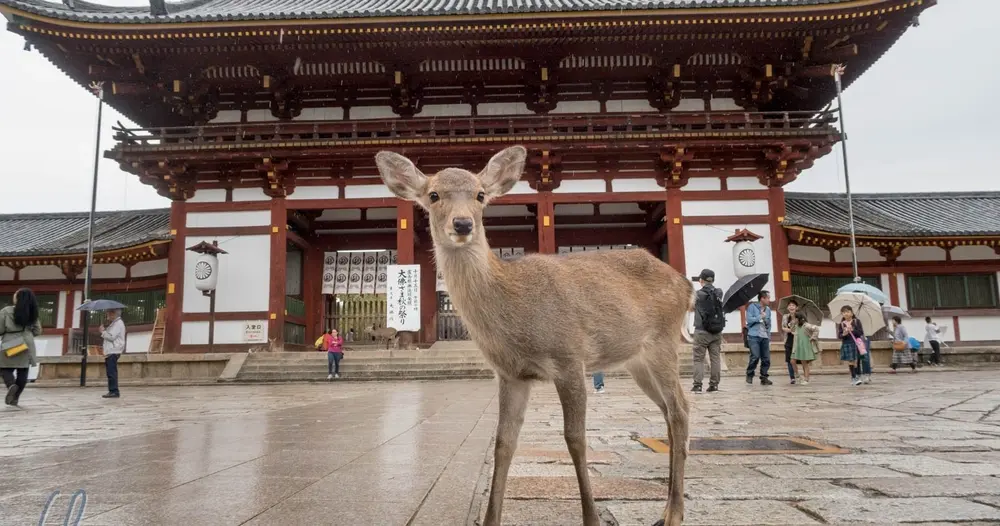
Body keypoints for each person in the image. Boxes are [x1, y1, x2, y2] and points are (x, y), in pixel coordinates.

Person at [0, 289, 42, 407]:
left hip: (10, 342)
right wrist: (27, 335)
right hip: (26, 343)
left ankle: (11, 385)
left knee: (4, 368)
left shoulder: (6, 311)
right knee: (23, 370)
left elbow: (0, 329)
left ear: (18, 298)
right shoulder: (33, 313)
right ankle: (15, 398)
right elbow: (38, 330)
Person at [691, 269, 724, 393]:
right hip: (716, 331)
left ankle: (698, 385)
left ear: (701, 280)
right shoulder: (719, 292)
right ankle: (714, 385)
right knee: (715, 358)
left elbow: (692, 306)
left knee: (698, 358)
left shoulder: (697, 294)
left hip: (701, 331)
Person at [745, 290, 773, 386]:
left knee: (766, 358)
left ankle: (764, 377)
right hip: (754, 335)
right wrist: (760, 316)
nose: (769, 300)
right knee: (755, 356)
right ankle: (749, 374)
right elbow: (749, 320)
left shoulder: (768, 310)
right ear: (762, 298)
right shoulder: (752, 307)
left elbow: (769, 324)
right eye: (768, 298)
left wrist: (765, 319)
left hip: (764, 335)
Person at [100, 308, 126, 398]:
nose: (107, 315)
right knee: (110, 371)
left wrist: (103, 331)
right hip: (111, 350)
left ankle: (114, 391)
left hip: (113, 350)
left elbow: (111, 337)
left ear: (113, 313)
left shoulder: (118, 324)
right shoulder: (115, 323)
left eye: (108, 313)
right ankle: (112, 390)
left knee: (112, 372)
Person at [836, 305, 866, 386]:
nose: (846, 313)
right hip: (847, 343)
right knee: (851, 361)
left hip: (856, 343)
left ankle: (858, 375)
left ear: (852, 313)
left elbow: (860, 333)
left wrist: (853, 330)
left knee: (857, 361)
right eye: (844, 312)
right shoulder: (842, 324)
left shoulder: (856, 322)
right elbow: (839, 336)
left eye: (848, 311)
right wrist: (844, 334)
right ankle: (853, 377)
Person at [790, 312, 820, 385]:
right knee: (792, 361)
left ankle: (806, 379)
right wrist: (792, 323)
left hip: (805, 345)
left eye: (795, 318)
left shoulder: (806, 325)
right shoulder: (796, 325)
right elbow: (792, 330)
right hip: (797, 346)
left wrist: (813, 337)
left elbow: (816, 329)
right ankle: (797, 375)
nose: (794, 319)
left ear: (799, 318)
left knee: (804, 363)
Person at [781, 300, 799, 385]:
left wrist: (796, 331)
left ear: (796, 307)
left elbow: (802, 326)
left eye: (793, 305)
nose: (791, 307)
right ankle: (792, 377)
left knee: (798, 359)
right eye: (790, 305)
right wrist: (788, 330)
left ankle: (798, 374)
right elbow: (783, 327)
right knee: (789, 359)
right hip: (788, 339)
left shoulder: (799, 316)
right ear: (788, 307)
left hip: (798, 340)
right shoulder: (785, 316)